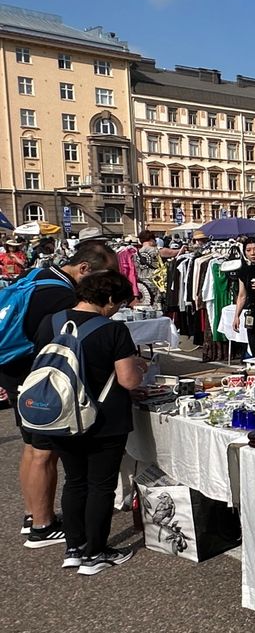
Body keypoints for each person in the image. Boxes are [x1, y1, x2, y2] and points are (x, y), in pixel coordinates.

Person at [0, 242, 118, 546]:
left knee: (31, 447)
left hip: (17, 371)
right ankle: (43, 526)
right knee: (45, 451)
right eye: (106, 274)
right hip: (40, 378)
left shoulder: (37, 275)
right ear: (84, 269)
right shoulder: (61, 296)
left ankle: (33, 515)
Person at [32, 270, 145, 574]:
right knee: (101, 485)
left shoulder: (50, 322)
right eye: (118, 303)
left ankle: (74, 547)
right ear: (108, 298)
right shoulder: (113, 330)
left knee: (74, 481)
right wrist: (139, 367)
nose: (117, 310)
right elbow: (128, 380)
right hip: (102, 419)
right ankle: (95, 553)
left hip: (58, 413)